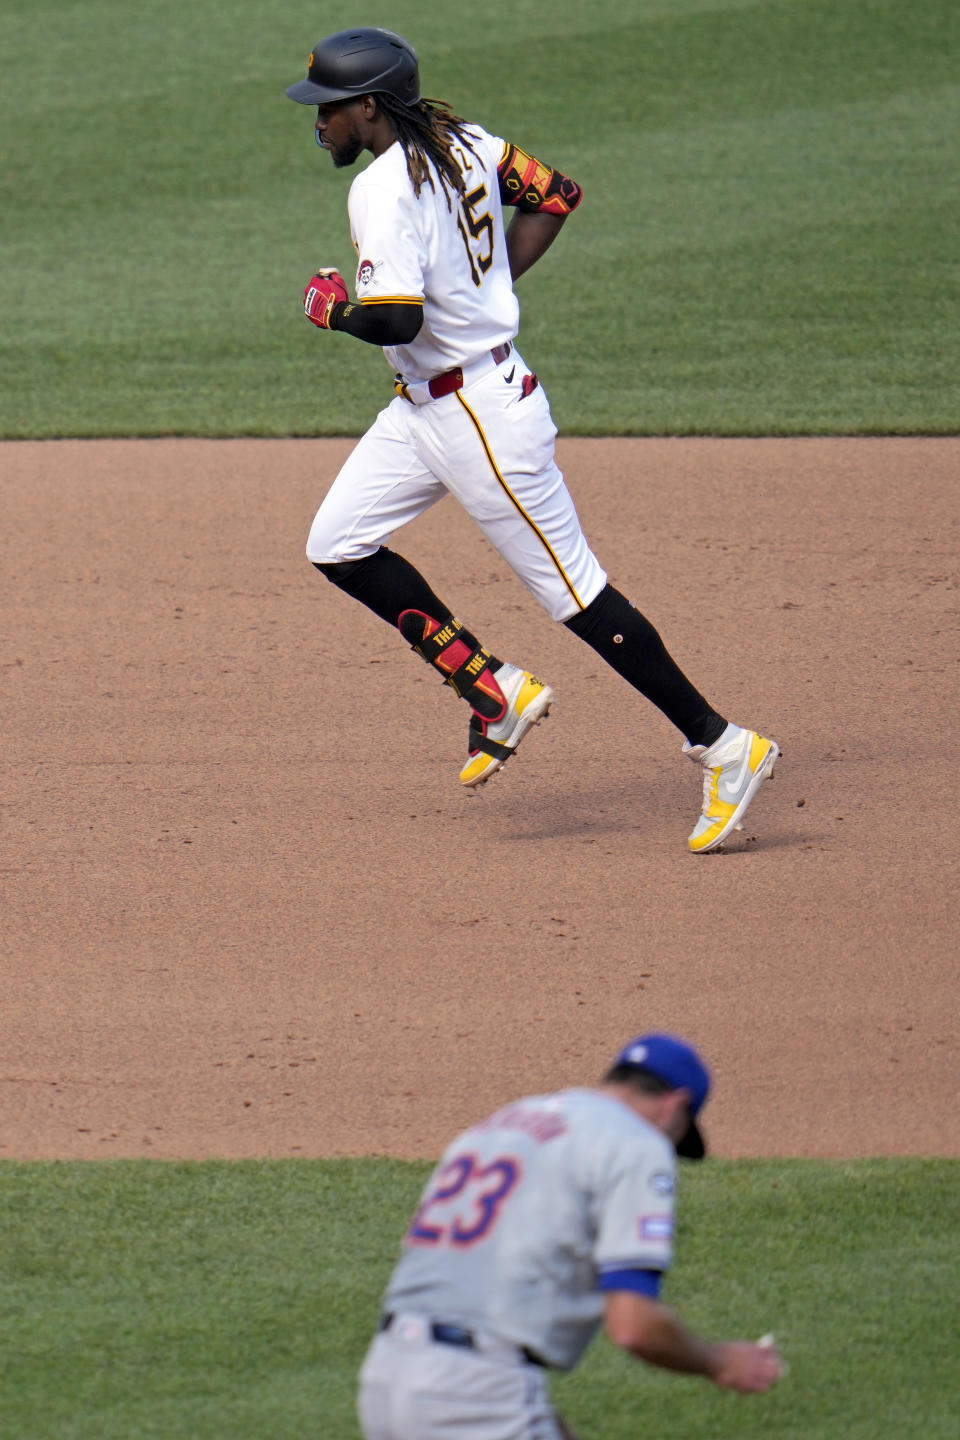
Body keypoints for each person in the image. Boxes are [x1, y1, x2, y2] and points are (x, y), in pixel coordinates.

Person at [285, 28, 779, 853]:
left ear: (368, 105)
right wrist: (485, 288)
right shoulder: (468, 141)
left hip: (480, 418)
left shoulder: (379, 190)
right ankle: (491, 687)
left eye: (328, 109)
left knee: (575, 594)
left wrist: (329, 308)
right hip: (422, 410)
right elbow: (556, 193)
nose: (318, 124)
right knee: (337, 542)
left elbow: (396, 317)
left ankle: (725, 746)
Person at [354, 1032, 784, 1439]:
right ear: (675, 1106)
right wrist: (720, 1361)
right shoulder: (636, 1142)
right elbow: (632, 1325)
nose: (669, 1148)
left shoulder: (498, 1125)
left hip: (386, 1376)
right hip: (475, 1392)